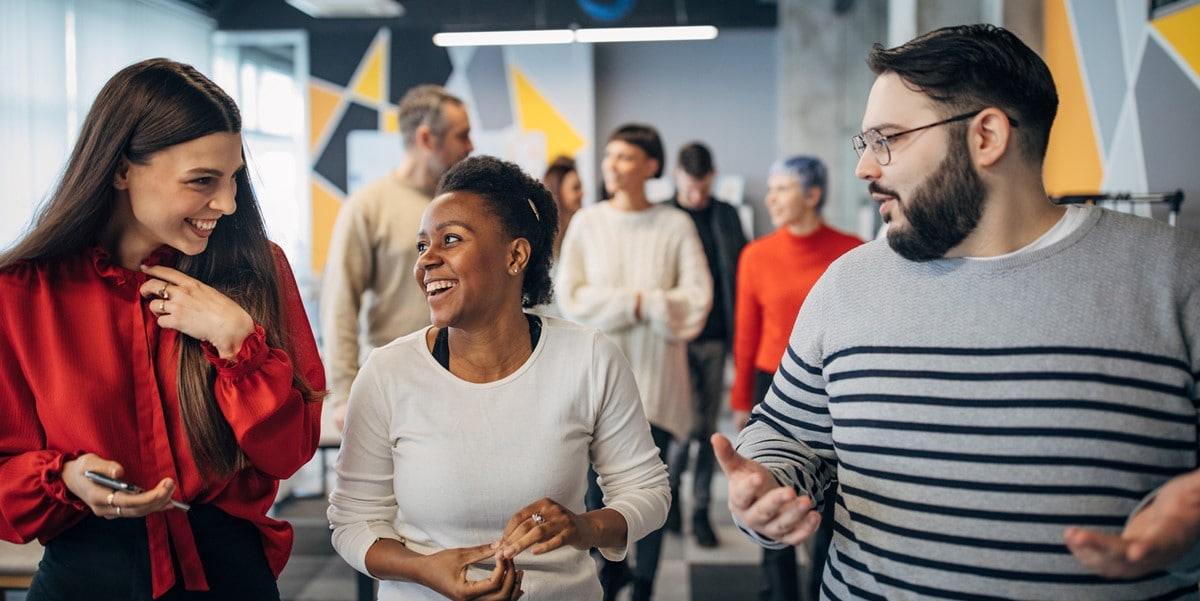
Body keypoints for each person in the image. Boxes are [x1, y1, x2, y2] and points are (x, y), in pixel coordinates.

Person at [714, 23, 1200, 600]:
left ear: (987, 136)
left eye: (887, 139)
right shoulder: (848, 283)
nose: (865, 169)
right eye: (864, 143)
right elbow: (788, 436)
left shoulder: (1175, 276)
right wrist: (763, 488)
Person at [0, 58, 325, 600]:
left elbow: (290, 452)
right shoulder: (22, 292)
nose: (227, 203)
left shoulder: (258, 269)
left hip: (230, 576)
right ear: (122, 169)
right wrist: (67, 477)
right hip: (85, 574)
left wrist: (237, 343)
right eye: (203, 181)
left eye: (233, 179)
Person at [327, 155, 669, 600]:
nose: (426, 261)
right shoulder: (388, 373)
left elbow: (647, 491)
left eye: (450, 240)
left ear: (516, 255)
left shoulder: (588, 357)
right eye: (421, 246)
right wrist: (424, 569)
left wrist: (583, 527)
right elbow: (352, 520)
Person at [556, 124, 712, 601]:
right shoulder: (587, 222)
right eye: (608, 156)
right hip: (594, 385)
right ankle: (609, 574)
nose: (611, 166)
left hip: (659, 387)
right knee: (595, 494)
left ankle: (644, 582)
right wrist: (646, 304)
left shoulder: (675, 224)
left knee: (653, 495)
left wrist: (624, 306)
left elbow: (697, 303)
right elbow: (573, 300)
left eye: (624, 157)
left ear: (650, 165)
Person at [730, 155, 862, 600]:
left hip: (840, 381)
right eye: (771, 189)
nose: (772, 198)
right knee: (773, 495)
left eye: (783, 188)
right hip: (773, 383)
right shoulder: (756, 255)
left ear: (813, 194)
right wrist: (740, 398)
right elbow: (746, 333)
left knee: (834, 502)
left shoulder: (852, 251)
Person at [320, 83, 473, 432]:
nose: (470, 146)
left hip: (466, 377)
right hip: (394, 383)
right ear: (426, 139)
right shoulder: (368, 206)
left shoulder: (467, 207)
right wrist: (344, 393)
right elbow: (340, 301)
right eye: (461, 135)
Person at [663, 141, 748, 548]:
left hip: (714, 337)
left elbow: (740, 278)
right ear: (677, 176)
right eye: (690, 186)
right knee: (677, 429)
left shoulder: (727, 216)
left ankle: (699, 511)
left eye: (703, 186)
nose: (696, 195)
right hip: (674, 339)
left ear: (712, 177)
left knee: (705, 430)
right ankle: (672, 502)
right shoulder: (662, 216)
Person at [541, 155, 585, 260]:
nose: (582, 193)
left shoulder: (582, 228)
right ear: (558, 192)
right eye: (576, 188)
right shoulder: (544, 239)